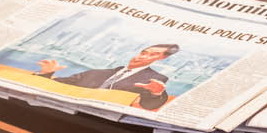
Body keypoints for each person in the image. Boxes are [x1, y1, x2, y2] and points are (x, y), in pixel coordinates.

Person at [37, 42, 178, 111]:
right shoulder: (95, 73)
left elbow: (149, 105)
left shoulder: (155, 78)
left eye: (153, 54)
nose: (143, 56)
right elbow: (53, 85)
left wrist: (155, 93)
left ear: (161, 58)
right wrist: (46, 73)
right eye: (144, 52)